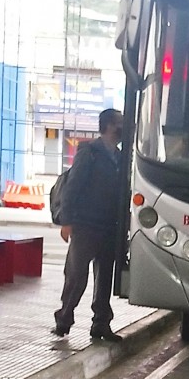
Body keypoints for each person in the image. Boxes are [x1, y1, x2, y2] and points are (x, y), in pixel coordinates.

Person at [52, 108, 124, 342]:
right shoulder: (89, 152)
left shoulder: (120, 156)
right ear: (109, 126)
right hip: (86, 225)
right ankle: (64, 320)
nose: (124, 128)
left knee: (104, 278)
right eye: (120, 123)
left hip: (110, 226)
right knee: (76, 276)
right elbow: (72, 187)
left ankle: (101, 324)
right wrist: (67, 222)